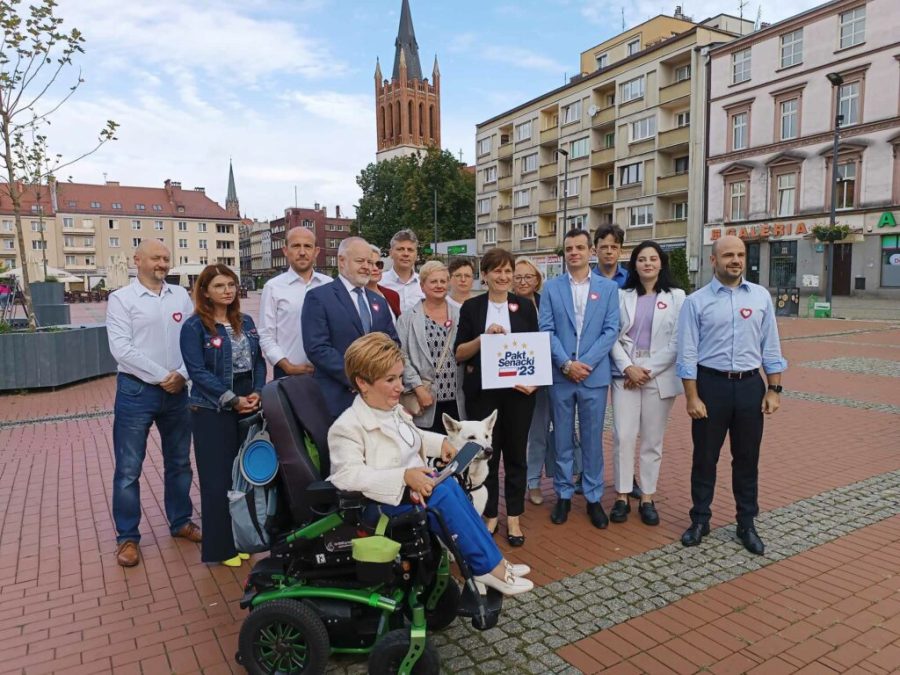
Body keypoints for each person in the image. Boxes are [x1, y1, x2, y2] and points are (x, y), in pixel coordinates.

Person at [328, 333, 533, 595]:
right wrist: (404, 476)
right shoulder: (346, 427)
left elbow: (415, 436)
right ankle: (486, 567)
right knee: (443, 493)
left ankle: (494, 562)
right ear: (362, 382)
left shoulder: (391, 410)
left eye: (400, 378)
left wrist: (441, 444)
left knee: (449, 486)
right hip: (378, 505)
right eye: (390, 380)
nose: (400, 387)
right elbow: (346, 476)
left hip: (408, 493)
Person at [676, 235, 787, 555]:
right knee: (705, 458)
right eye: (727, 255)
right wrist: (692, 397)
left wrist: (774, 389)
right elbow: (687, 354)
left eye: (740, 254)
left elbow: (772, 347)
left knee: (747, 459)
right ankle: (700, 519)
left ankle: (746, 523)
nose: (735, 260)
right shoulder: (696, 302)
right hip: (711, 387)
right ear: (714, 260)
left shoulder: (761, 297)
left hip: (751, 387)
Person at [106, 239, 201, 567]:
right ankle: (127, 538)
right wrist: (164, 375)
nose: (162, 263)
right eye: (156, 258)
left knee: (179, 462)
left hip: (177, 391)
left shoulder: (179, 296)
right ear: (137, 260)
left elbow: (195, 339)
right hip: (136, 392)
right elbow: (121, 349)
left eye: (166, 258)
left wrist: (184, 374)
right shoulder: (121, 299)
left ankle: (180, 521)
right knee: (129, 469)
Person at [180, 265, 267, 566]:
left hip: (247, 399)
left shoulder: (246, 321)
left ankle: (243, 536)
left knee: (242, 476)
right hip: (212, 407)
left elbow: (258, 361)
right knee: (217, 479)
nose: (227, 291)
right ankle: (222, 548)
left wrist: (258, 390)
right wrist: (231, 399)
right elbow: (198, 373)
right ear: (205, 291)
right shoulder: (194, 327)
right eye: (219, 286)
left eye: (231, 284)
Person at [455, 247, 538, 546]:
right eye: (497, 271)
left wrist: (535, 383)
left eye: (508, 271)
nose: (503, 276)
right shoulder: (472, 308)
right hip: (483, 394)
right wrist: (483, 338)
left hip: (519, 396)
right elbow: (459, 353)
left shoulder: (525, 307)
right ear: (486, 275)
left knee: (516, 455)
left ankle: (514, 516)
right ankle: (490, 513)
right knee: (486, 455)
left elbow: (535, 351)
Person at [539, 228, 619, 529]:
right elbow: (546, 329)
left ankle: (594, 496)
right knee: (561, 438)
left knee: (592, 439)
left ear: (590, 252)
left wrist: (584, 363)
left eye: (580, 247)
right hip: (561, 376)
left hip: (593, 376)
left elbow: (611, 330)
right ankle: (562, 493)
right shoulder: (551, 288)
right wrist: (565, 364)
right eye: (569, 248)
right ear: (564, 253)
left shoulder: (608, 289)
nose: (574, 252)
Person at [609, 241, 685, 526]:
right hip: (626, 375)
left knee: (652, 440)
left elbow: (679, 341)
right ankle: (621, 495)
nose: (648, 264)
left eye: (653, 259)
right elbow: (611, 335)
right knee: (623, 436)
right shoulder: (621, 295)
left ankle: (648, 497)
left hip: (658, 376)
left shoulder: (678, 297)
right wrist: (629, 368)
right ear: (634, 265)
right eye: (642, 259)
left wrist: (646, 370)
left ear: (662, 263)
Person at [302, 237, 400, 418]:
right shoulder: (319, 297)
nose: (367, 267)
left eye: (370, 262)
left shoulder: (378, 300)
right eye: (360, 261)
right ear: (342, 261)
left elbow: (393, 343)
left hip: (378, 398)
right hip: (339, 398)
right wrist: (358, 379)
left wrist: (380, 378)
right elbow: (317, 348)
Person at [513, 257, 563, 507]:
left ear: (537, 280)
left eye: (528, 277)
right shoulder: (506, 305)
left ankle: (565, 477)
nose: (523, 282)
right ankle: (532, 482)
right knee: (535, 433)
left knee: (564, 430)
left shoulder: (547, 302)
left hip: (553, 375)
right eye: (518, 277)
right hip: (522, 382)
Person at [396, 260, 464, 433]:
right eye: (433, 281)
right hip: (426, 400)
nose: (439, 285)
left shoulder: (461, 314)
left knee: (459, 454)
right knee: (431, 455)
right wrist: (418, 389)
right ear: (422, 285)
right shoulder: (407, 318)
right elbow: (401, 356)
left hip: (458, 399)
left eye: (443, 281)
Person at [258, 226, 332, 379]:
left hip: (327, 373)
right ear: (285, 251)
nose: (302, 252)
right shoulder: (273, 287)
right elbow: (266, 334)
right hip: (289, 375)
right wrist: (287, 366)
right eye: (296, 246)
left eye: (308, 246)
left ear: (316, 251)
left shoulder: (330, 285)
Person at [380, 229, 426, 312]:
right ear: (390, 253)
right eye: (400, 249)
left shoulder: (425, 283)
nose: (406, 254)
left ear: (416, 254)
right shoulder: (379, 283)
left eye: (410, 250)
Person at [366, 244, 402, 319]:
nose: (375, 268)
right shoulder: (353, 297)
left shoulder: (392, 295)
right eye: (370, 264)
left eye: (379, 264)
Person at [592, 224, 628, 288]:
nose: (609, 251)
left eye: (614, 247)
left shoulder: (629, 279)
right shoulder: (587, 280)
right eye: (604, 247)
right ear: (595, 251)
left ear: (620, 252)